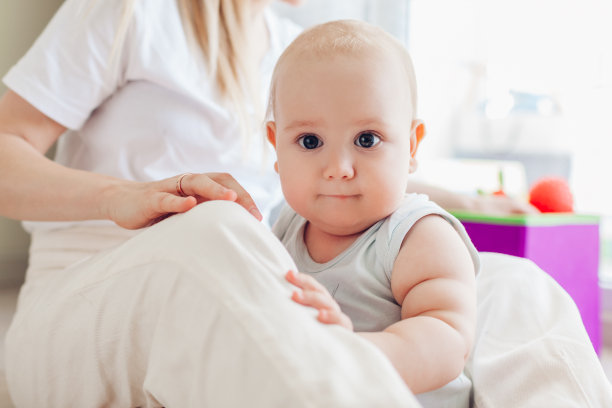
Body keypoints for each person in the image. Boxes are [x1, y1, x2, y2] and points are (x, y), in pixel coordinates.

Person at [0, 0, 610, 406]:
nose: (336, 161)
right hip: (107, 298)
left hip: (263, 275)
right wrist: (121, 196)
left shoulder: (298, 50)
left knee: (507, 280)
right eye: (307, 140)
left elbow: (364, 165)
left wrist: (465, 203)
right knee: (216, 228)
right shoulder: (132, 11)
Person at [265, 20, 479, 407]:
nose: (338, 169)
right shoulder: (286, 228)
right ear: (276, 146)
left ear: (411, 146)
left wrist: (354, 354)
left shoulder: (418, 236)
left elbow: (447, 339)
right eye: (310, 141)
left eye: (367, 140)